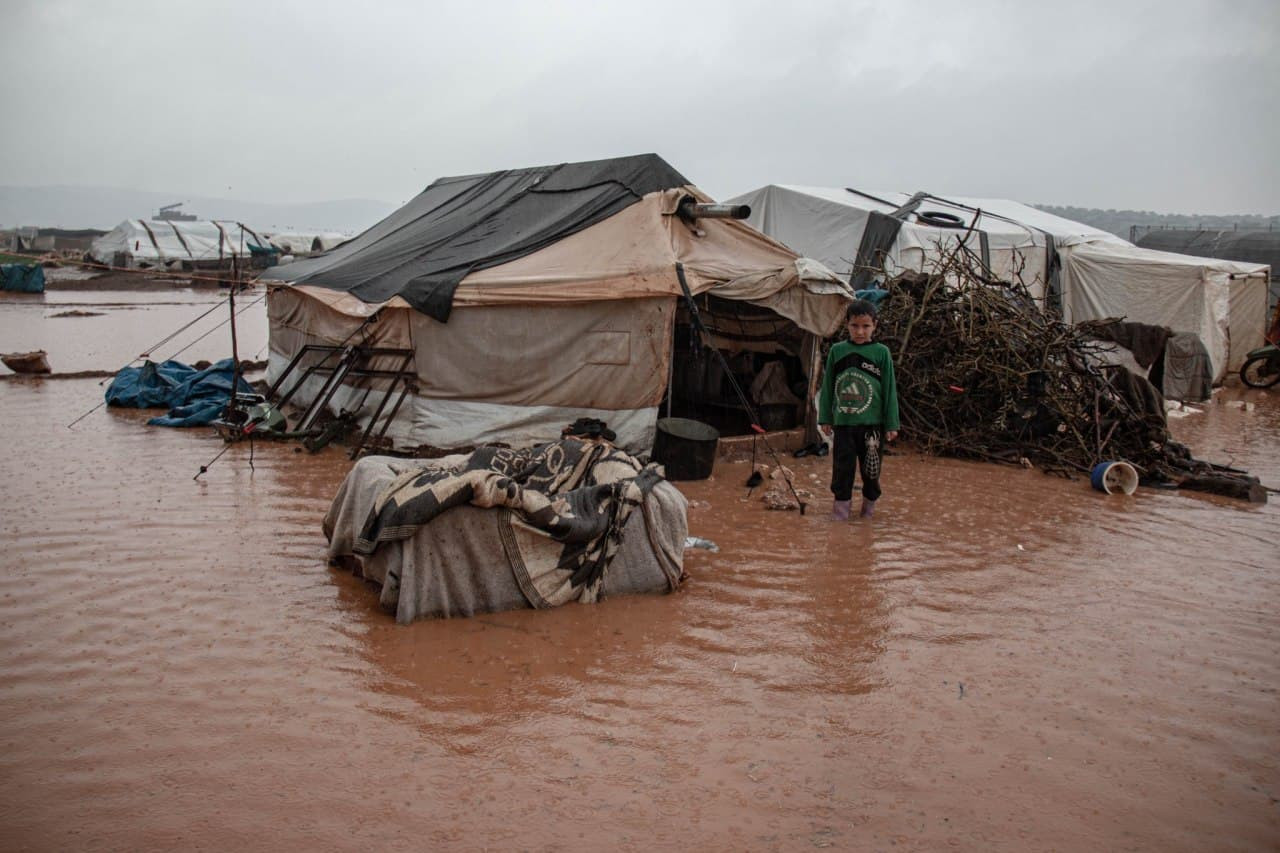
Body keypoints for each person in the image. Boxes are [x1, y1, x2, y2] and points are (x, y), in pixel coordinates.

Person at [818, 299, 900, 520]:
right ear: (847, 325)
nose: (860, 331)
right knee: (842, 470)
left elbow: (890, 389)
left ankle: (868, 513)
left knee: (871, 472)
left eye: (866, 326)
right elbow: (827, 387)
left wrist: (891, 423)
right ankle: (840, 514)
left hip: (872, 425)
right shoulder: (838, 351)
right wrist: (825, 417)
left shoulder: (881, 353)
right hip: (843, 425)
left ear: (875, 325)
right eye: (855, 326)